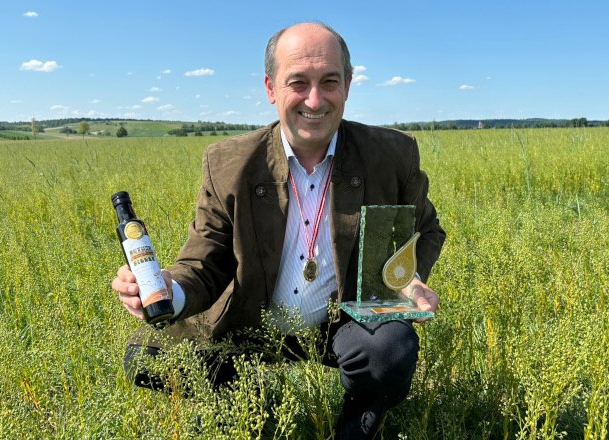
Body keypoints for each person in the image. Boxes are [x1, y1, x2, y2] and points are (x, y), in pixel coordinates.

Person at [111, 22, 445, 439]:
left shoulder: (391, 155)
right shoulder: (228, 162)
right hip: (252, 322)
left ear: (348, 85)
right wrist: (168, 289)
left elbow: (426, 229)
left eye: (329, 82)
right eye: (298, 83)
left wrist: (407, 281)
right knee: (144, 357)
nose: (315, 99)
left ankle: (356, 423)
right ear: (271, 88)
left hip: (339, 323)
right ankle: (246, 400)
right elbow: (205, 259)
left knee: (390, 349)